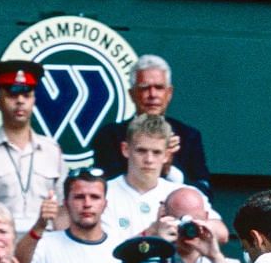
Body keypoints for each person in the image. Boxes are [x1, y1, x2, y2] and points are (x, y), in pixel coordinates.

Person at [90, 55, 210, 193]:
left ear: (169, 93)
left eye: (159, 88)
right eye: (144, 88)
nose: (152, 94)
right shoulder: (110, 136)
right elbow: (104, 188)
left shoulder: (188, 136)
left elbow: (204, 193)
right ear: (132, 94)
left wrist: (169, 169)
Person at [0, 60, 63, 236]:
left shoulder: (52, 150)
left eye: (27, 95)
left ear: (34, 100)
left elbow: (62, 209)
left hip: (44, 244)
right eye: (12, 95)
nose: (20, 101)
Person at [22, 167, 119, 263]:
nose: (87, 204)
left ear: (105, 204)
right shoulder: (45, 245)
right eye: (79, 197)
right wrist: (40, 225)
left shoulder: (118, 248)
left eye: (94, 197)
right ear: (66, 203)